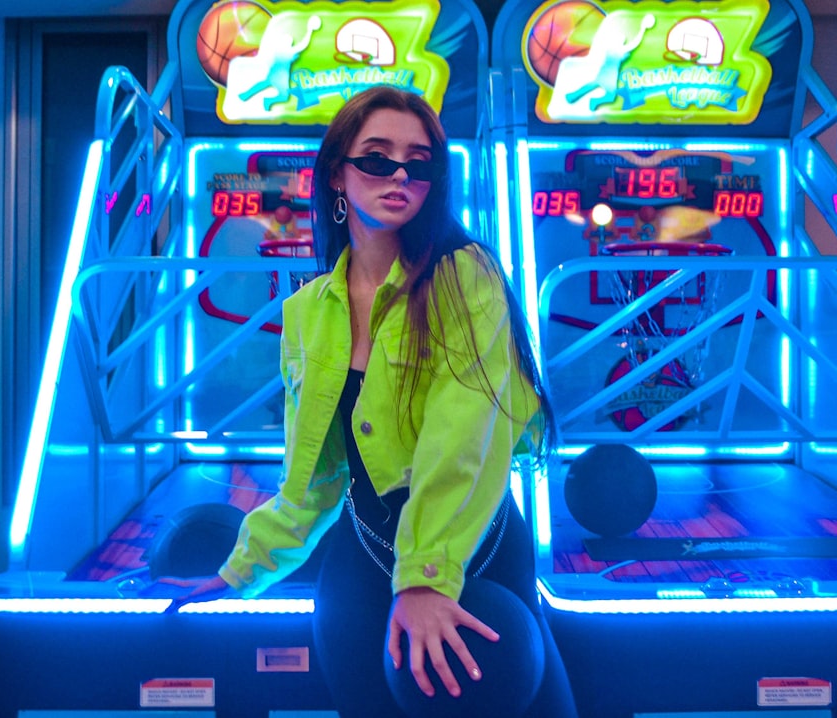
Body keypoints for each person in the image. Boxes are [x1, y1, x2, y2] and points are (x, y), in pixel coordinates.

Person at [179, 85, 578, 718]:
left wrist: (425, 579)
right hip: (362, 558)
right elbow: (313, 476)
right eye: (376, 158)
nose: (399, 175)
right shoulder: (307, 312)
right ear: (337, 173)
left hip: (475, 547)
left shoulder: (464, 273)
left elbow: (464, 438)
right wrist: (240, 570)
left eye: (418, 163)